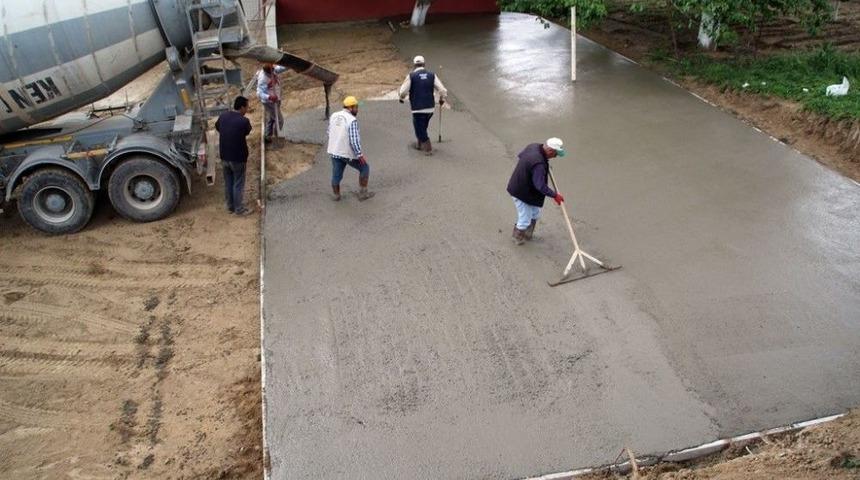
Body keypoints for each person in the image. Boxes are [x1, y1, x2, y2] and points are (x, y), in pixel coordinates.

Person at [506, 138, 567, 245]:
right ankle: (517, 237)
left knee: (535, 213)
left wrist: (542, 167)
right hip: (520, 192)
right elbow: (540, 186)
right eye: (556, 154)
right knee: (525, 218)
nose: (556, 156)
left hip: (527, 188)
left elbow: (521, 155)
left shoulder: (533, 146)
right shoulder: (539, 164)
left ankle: (528, 234)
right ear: (550, 151)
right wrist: (555, 195)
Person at [326, 96, 374, 201]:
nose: (357, 109)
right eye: (356, 107)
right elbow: (354, 140)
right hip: (346, 152)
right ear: (350, 108)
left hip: (334, 151)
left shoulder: (334, 115)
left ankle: (336, 195)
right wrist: (359, 155)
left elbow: (329, 132)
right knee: (364, 167)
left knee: (336, 173)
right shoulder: (352, 120)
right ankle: (363, 193)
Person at [398, 55, 448, 154]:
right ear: (424, 64)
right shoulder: (432, 75)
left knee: (419, 130)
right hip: (430, 108)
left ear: (414, 65)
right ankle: (419, 144)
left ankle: (428, 148)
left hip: (417, 108)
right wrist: (442, 98)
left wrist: (401, 98)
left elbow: (403, 91)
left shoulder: (411, 76)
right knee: (423, 126)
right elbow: (442, 90)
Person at [215, 96, 253, 215]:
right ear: (242, 107)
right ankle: (239, 209)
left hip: (224, 156)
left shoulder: (223, 116)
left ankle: (230, 206)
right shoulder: (244, 121)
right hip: (238, 158)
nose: (247, 109)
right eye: (246, 107)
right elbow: (247, 131)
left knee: (228, 182)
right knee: (238, 183)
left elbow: (217, 127)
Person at [256, 63, 287, 142]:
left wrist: (290, 65)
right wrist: (269, 97)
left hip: (276, 99)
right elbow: (259, 93)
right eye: (271, 72)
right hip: (270, 102)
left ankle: (267, 136)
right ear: (267, 72)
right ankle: (276, 137)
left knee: (272, 118)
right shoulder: (263, 79)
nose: (273, 72)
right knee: (279, 120)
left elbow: (279, 69)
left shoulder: (272, 70)